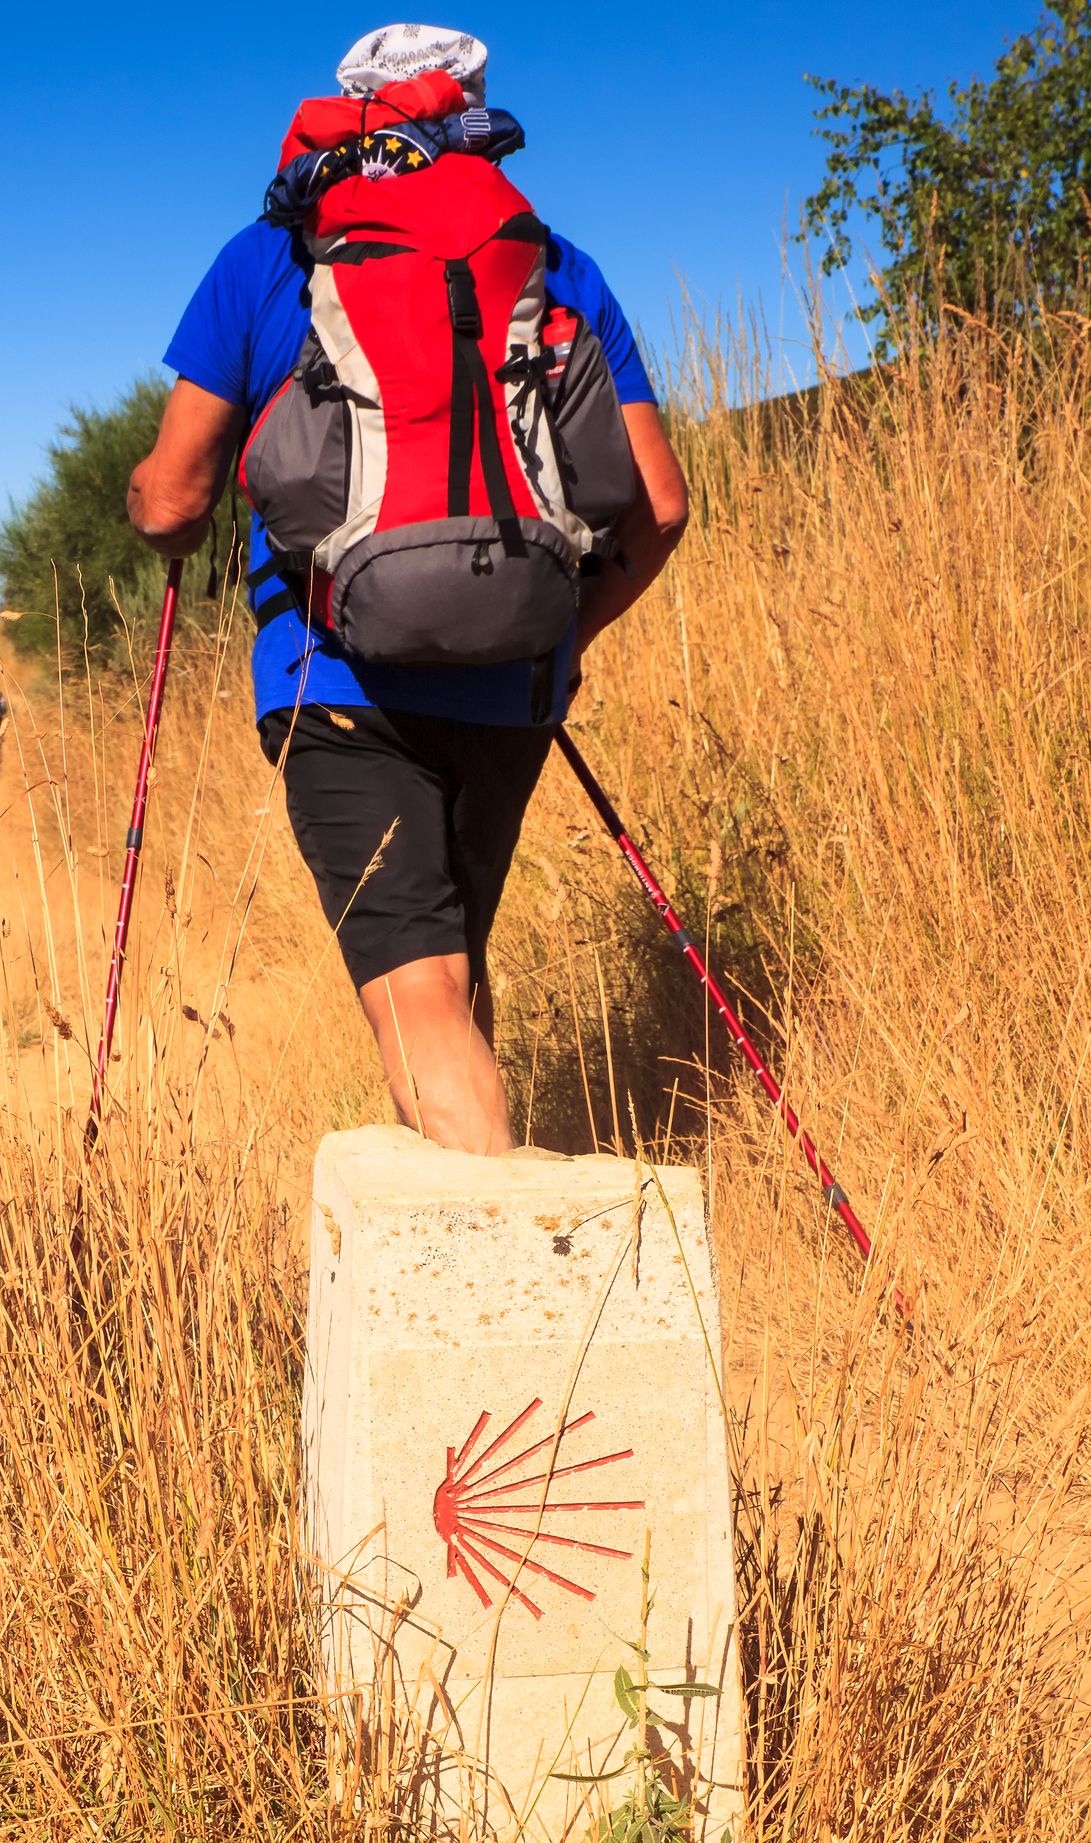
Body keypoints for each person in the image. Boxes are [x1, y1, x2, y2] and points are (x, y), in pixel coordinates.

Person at [126, 23, 689, 1156]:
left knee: (418, 987)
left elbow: (174, 501)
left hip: (335, 677)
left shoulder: (268, 256)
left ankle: (498, 1290)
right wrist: (557, 632)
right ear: (472, 108)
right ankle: (478, 1247)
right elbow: (659, 506)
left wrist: (150, 503)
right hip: (515, 678)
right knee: (455, 966)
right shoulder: (548, 261)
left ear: (353, 110)